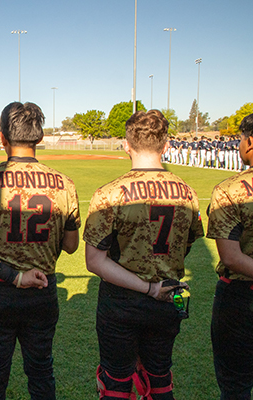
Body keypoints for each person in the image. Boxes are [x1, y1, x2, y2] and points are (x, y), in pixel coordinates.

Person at [0, 101, 80, 400]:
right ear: (38, 136)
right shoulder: (64, 184)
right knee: (41, 371)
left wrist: (13, 275)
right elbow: (72, 245)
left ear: (2, 137)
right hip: (43, 288)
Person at [83, 110, 204, 399]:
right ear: (166, 146)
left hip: (122, 301)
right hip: (169, 296)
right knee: (160, 380)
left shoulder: (110, 194)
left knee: (115, 383)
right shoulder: (188, 193)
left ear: (127, 145)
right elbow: (186, 244)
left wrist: (147, 287)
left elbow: (94, 260)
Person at [207, 113, 253, 399]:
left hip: (241, 295)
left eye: (240, 139)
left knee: (236, 386)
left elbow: (232, 257)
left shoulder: (230, 189)